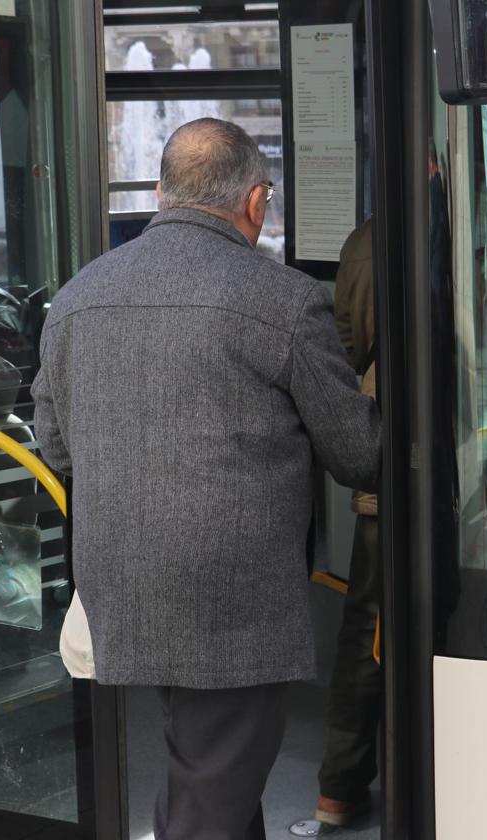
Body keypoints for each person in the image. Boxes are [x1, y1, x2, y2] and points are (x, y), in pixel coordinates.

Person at [32, 117, 380, 840]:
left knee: (213, 770)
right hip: (231, 600)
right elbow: (359, 454)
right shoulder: (284, 301)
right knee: (209, 796)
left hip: (119, 583)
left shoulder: (75, 299)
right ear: (256, 201)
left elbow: (55, 448)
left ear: (162, 192)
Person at [315, 218, 380, 827]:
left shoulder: (365, 240)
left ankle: (339, 788)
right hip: (473, 464)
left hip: (388, 470)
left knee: (367, 629)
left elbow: (343, 350)